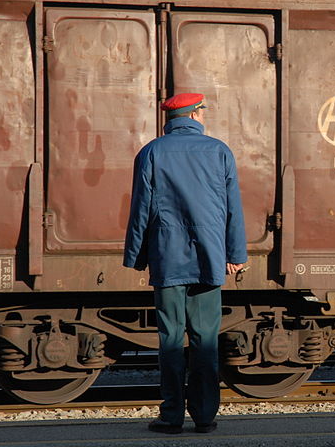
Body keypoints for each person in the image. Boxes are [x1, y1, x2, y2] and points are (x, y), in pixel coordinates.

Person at [123, 92, 247, 434]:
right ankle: (205, 416)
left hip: (168, 259)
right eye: (203, 111)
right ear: (194, 114)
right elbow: (233, 208)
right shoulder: (219, 151)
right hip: (209, 257)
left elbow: (140, 210)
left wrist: (137, 255)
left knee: (170, 338)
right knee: (206, 339)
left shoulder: (151, 152)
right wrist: (235, 255)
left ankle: (171, 415)